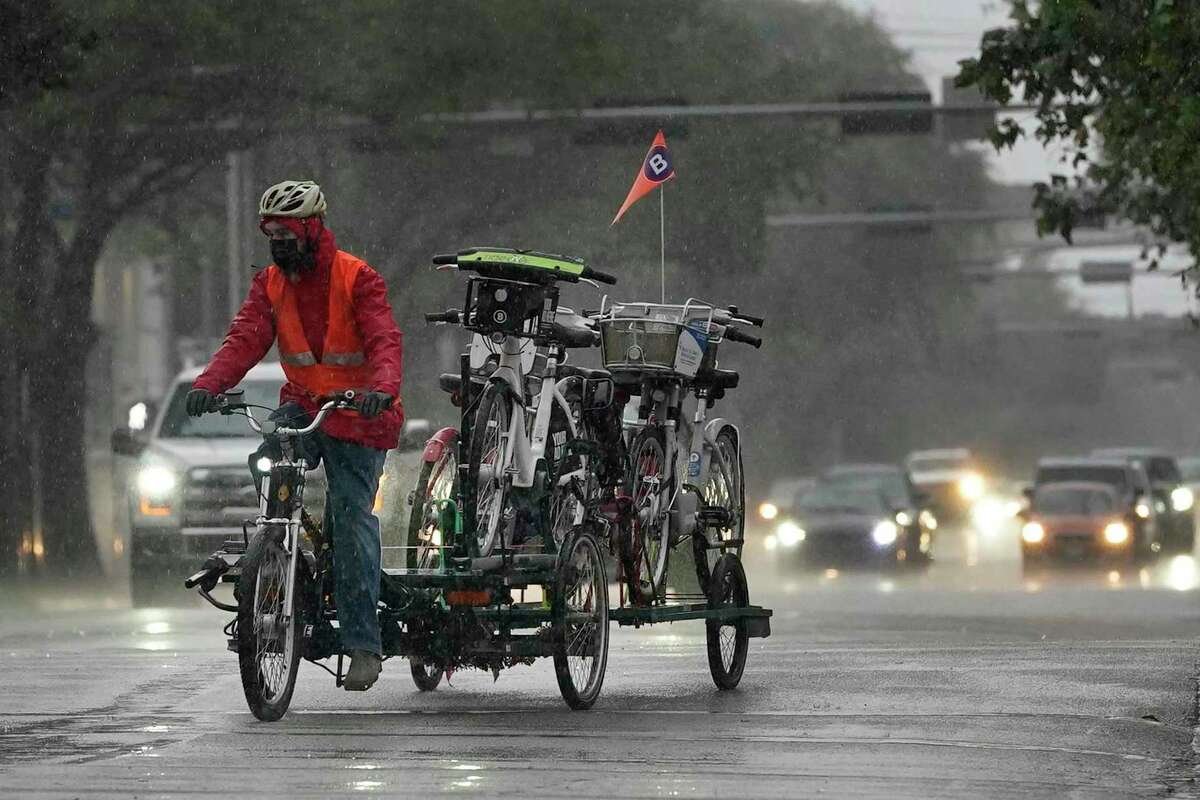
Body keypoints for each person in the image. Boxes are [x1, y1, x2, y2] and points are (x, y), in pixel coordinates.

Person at [186, 179, 403, 691]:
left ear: (312, 228)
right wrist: (208, 384)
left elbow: (384, 341)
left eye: (285, 232)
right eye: (270, 233)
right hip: (303, 409)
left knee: (351, 520)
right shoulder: (270, 284)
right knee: (269, 461)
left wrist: (382, 389)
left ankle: (362, 644)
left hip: (358, 417)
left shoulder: (358, 278)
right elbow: (245, 339)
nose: (277, 242)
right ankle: (275, 552)